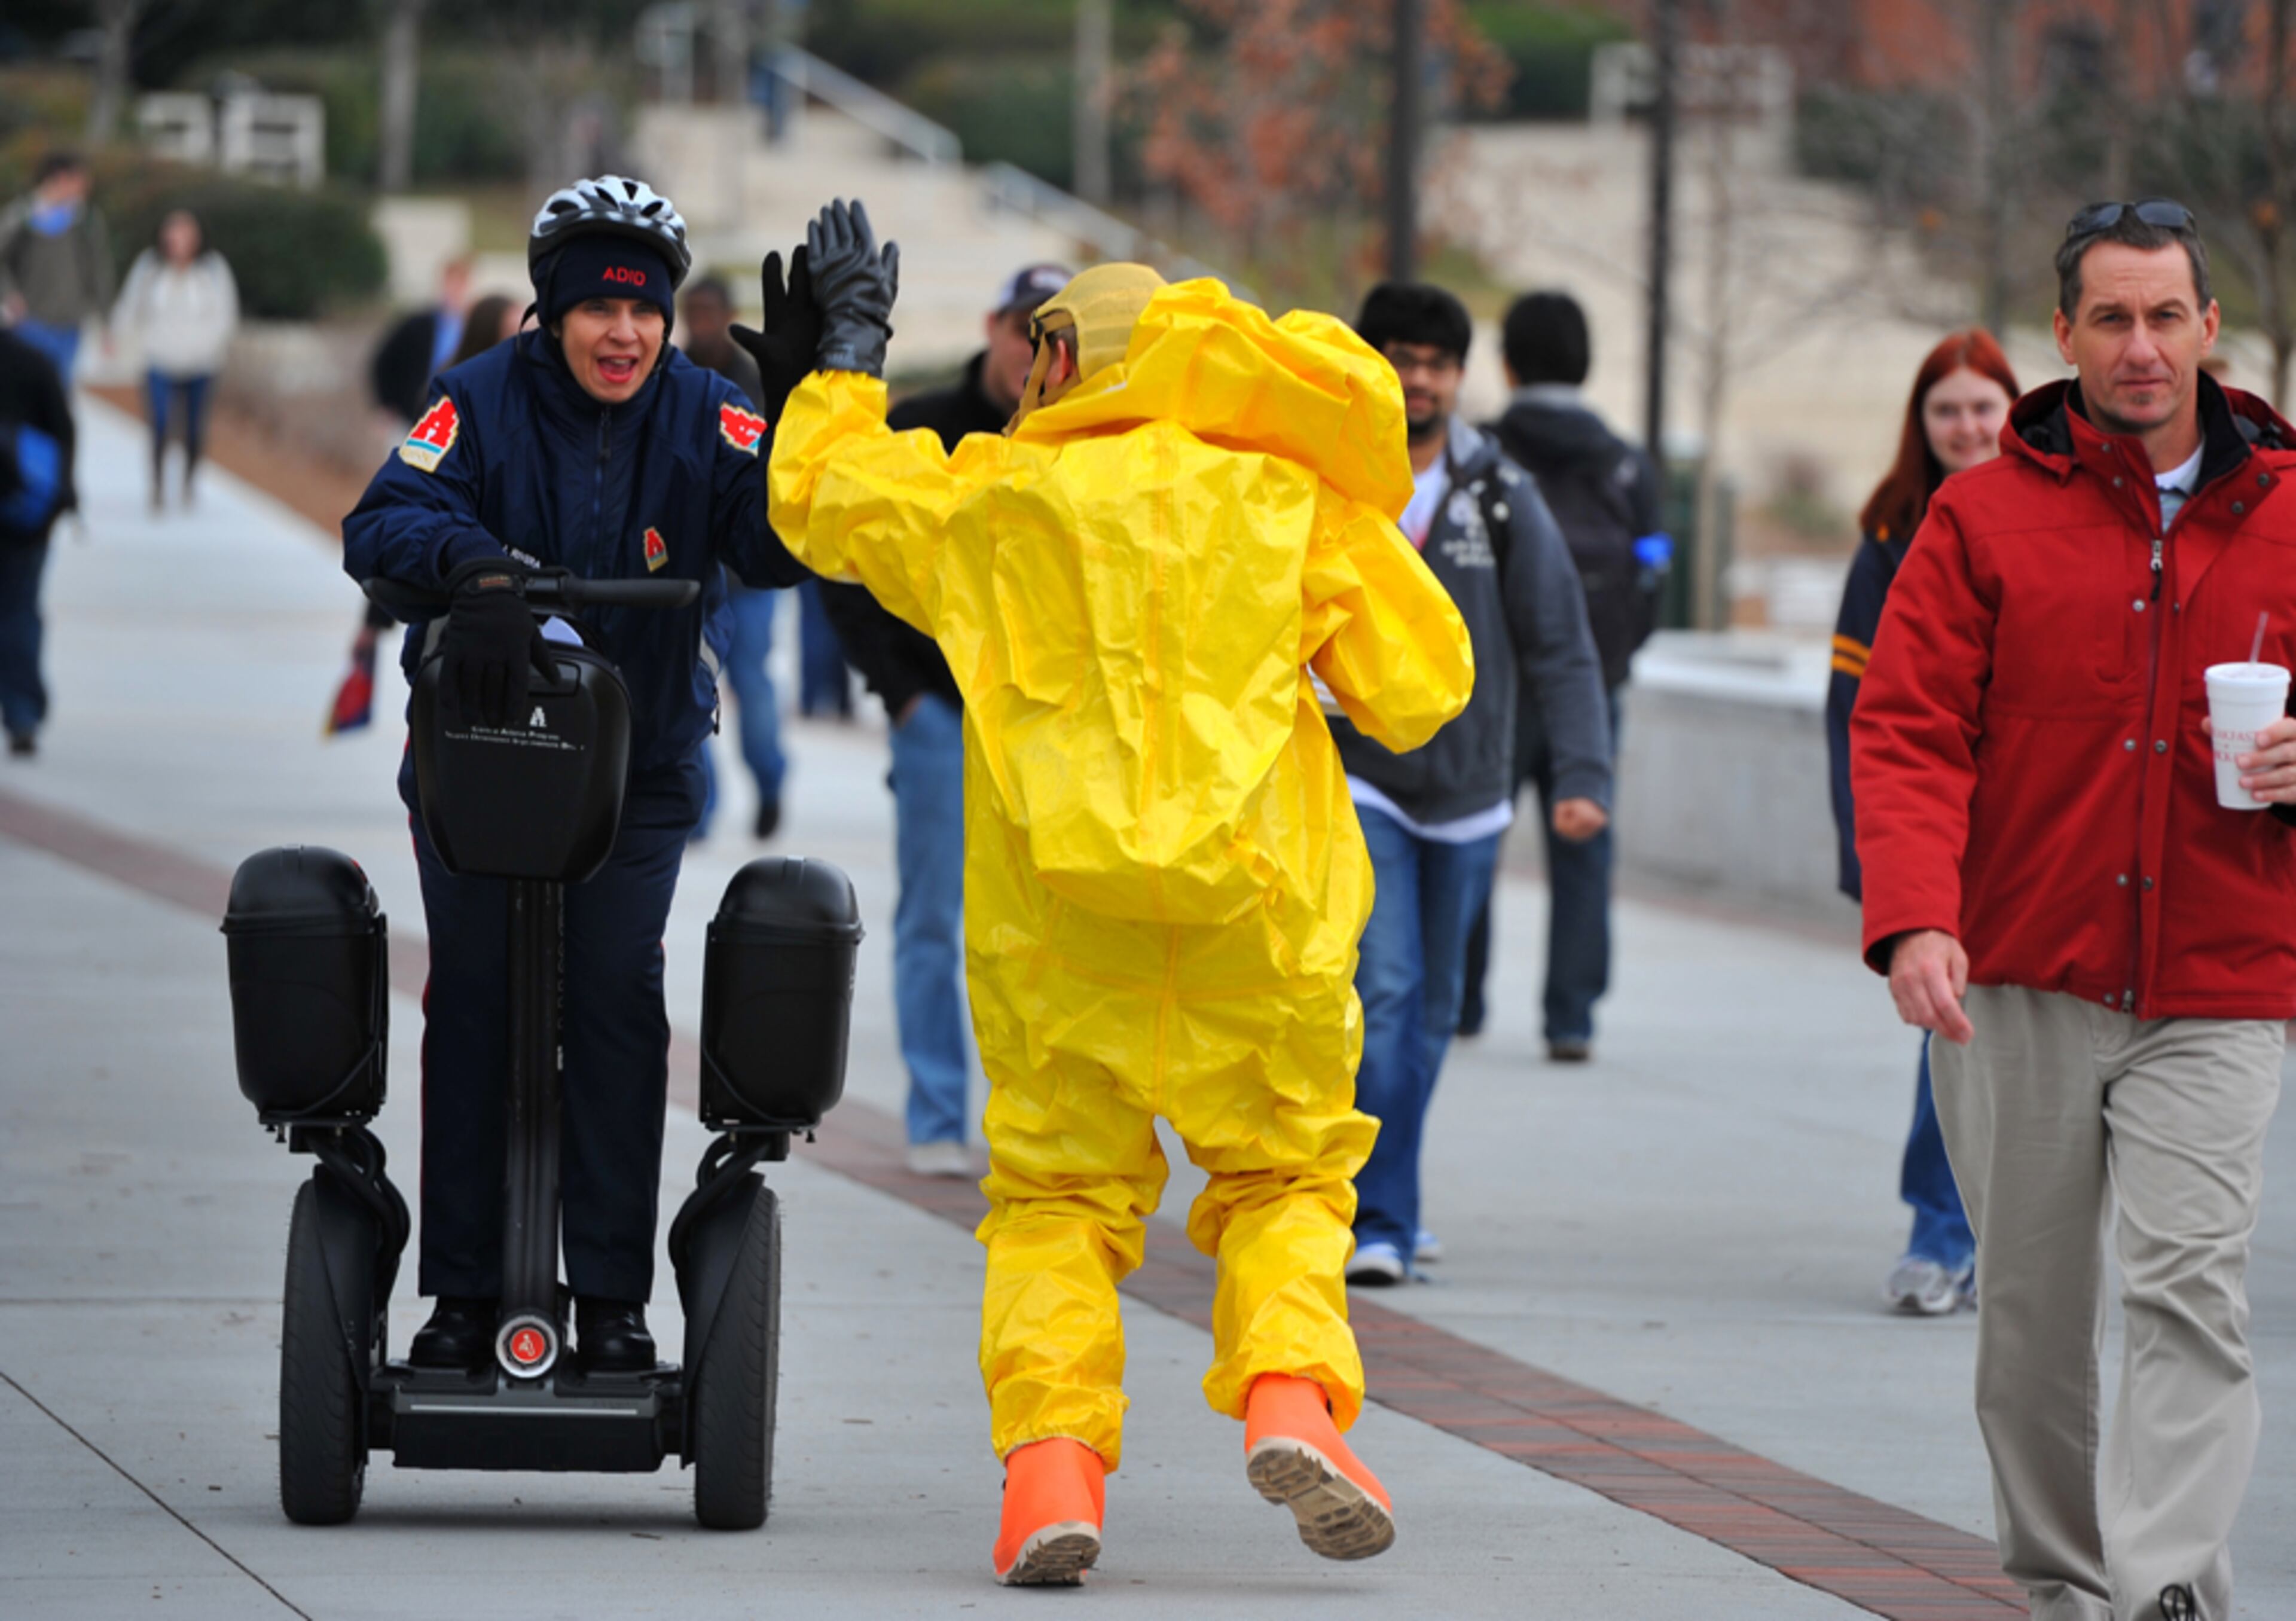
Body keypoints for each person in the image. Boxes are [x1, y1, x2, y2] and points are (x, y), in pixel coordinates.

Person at [763, 203, 1471, 1584]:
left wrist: (841, 354)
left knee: (1053, 1205)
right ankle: (1288, 1398)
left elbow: (823, 496)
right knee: (1284, 1177)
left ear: (1049, 363)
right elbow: (1420, 689)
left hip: (1056, 932)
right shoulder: (1284, 500)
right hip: (1257, 920)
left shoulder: (991, 499)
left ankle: (1050, 1480)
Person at [1855, 199, 2296, 1621]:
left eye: (2165, 315)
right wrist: (1917, 917)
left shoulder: (2290, 507)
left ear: (2210, 329)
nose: (2140, 347)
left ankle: (2163, 1585)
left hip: (2219, 979)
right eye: (2109, 317)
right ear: (2063, 334)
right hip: (2015, 973)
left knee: (2187, 1294)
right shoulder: (1979, 513)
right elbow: (1908, 723)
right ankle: (2061, 1585)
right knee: (2031, 1323)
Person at [342, 176, 805, 1376]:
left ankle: (611, 1299)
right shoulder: (477, 401)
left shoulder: (712, 415)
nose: (624, 332)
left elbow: (778, 542)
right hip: (481, 767)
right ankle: (454, 1296)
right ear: (552, 313)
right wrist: (473, 563)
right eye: (599, 308)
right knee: (476, 1004)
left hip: (635, 773)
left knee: (614, 1006)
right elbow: (380, 520)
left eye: (644, 310)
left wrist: (811, 408)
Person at [1338, 282, 1611, 1286]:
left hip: (1470, 792)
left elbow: (1560, 640)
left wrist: (1582, 773)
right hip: (1356, 779)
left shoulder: (1499, 491)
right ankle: (1382, 1216)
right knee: (1390, 986)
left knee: (1434, 1003)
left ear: (1461, 377)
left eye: (1436, 364)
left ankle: (1383, 1193)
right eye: (1400, 358)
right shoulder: (1320, 479)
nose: (1417, 380)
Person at [817, 260, 1068, 1178]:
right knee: (935, 914)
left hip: (1046, 722)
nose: (1039, 353)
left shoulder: (1087, 439)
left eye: (1059, 337)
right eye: (1026, 329)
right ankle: (935, 1111)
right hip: (940, 709)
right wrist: (902, 689)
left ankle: (1034, 1125)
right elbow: (840, 561)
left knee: (1047, 929)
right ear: (993, 325)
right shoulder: (920, 425)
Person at [1828, 329, 2018, 1317]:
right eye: (1947, 410)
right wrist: (1876, 857)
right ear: (1922, 423)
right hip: (1940, 837)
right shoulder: (1893, 539)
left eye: (1983, 406)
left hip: (2034, 832)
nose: (1967, 425)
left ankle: (2007, 1243)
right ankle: (1940, 1234)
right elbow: (1856, 712)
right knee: (1950, 1035)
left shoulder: (2051, 516)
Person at [1458, 289, 1668, 1058]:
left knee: (1469, 834)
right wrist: (1613, 660)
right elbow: (1655, 563)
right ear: (1587, 363)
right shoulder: (1623, 461)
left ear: (1507, 362)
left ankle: (1460, 1000)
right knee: (1585, 849)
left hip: (1493, 687)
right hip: (1593, 684)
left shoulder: (1480, 454)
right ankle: (1571, 1018)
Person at [332, 257, 483, 735]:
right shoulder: (423, 325)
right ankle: (371, 628)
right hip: (417, 432)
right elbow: (385, 526)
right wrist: (387, 407)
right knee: (407, 518)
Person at [679, 272, 786, 842]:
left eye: (708, 311)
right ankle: (700, 804)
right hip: (688, 566)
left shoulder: (753, 378)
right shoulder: (671, 374)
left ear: (727, 313)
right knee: (689, 684)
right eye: (691, 311)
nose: (700, 322)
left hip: (745, 570)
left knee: (750, 683)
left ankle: (769, 780)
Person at [111, 209, 238, 511]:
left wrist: (210, 347)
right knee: (160, 423)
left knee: (194, 428)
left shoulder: (213, 270)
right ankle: (156, 485)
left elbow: (226, 314)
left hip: (201, 362)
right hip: (159, 358)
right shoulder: (149, 268)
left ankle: (189, 481)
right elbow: (130, 307)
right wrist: (118, 339)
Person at [0, 325, 76, 758]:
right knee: (20, 611)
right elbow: (64, 432)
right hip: (27, 514)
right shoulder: (35, 362)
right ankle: (23, 713)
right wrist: (59, 498)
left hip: (26, 515)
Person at [0, 152, 114, 384]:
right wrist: (9, 294)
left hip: (70, 324)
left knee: (58, 393)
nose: (85, 188)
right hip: (30, 322)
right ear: (61, 178)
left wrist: (105, 320)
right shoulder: (23, 217)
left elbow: (100, 270)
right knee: (28, 391)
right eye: (80, 181)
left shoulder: (86, 220)